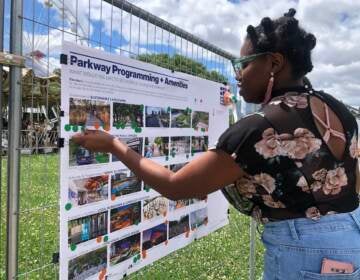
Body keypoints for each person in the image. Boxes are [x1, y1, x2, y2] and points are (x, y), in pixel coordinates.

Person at [72, 9, 360, 279]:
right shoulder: (336, 109)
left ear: (274, 62)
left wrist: (115, 146)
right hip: (350, 233)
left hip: (306, 252)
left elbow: (177, 185)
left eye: (244, 63)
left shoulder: (261, 127)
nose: (237, 74)